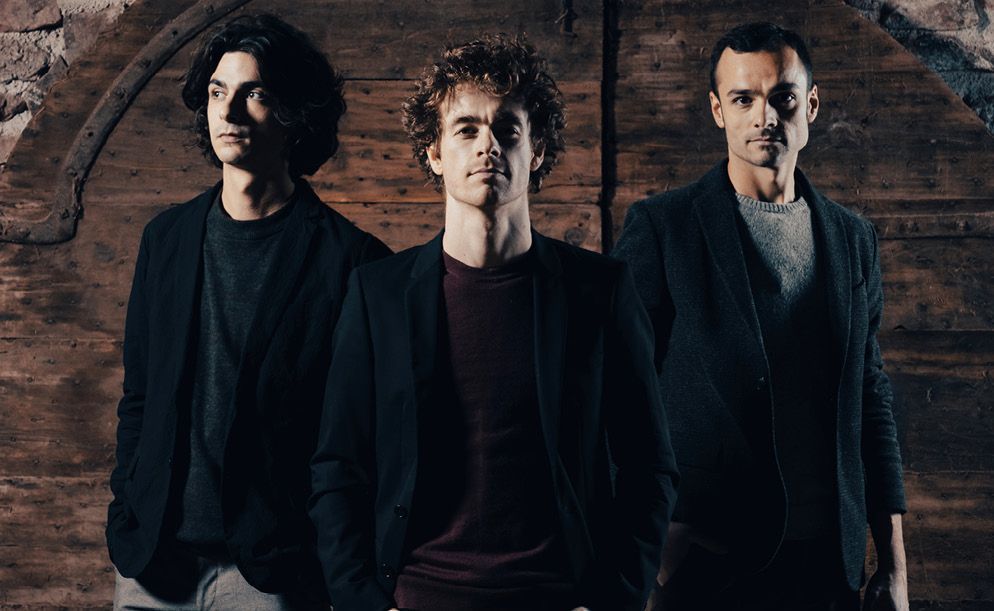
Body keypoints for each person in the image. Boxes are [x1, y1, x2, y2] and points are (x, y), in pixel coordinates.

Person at [309, 34, 678, 611]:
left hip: (555, 597)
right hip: (418, 597)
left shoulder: (599, 292)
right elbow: (337, 466)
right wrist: (361, 601)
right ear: (434, 153)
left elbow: (649, 467)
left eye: (507, 129)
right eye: (466, 129)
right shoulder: (377, 295)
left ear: (534, 152)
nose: (488, 146)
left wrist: (613, 600)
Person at [613, 21, 908, 611]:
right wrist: (644, 544)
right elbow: (614, 392)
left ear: (811, 105)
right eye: (743, 99)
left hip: (828, 563)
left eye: (782, 98)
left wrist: (894, 564)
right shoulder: (664, 228)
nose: (764, 117)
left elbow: (869, 399)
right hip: (704, 563)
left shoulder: (853, 240)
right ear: (718, 111)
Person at [105, 14, 390, 609]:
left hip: (273, 575)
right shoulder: (166, 238)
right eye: (216, 92)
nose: (228, 112)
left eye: (254, 93)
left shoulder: (353, 261)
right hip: (153, 568)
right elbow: (140, 397)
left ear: (294, 115)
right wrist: (127, 510)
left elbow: (364, 439)